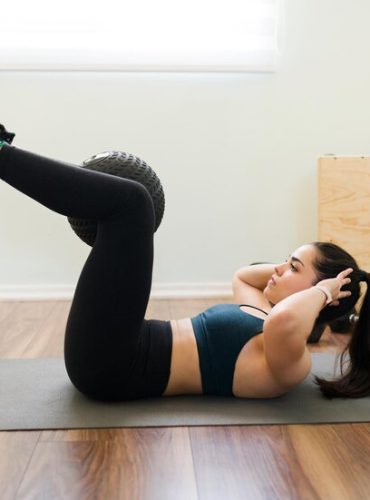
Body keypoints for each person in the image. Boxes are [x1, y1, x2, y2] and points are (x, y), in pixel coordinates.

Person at [1, 125, 369, 402]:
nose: (277, 268)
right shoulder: (262, 310)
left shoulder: (293, 359)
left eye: (293, 268)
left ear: (324, 296)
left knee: (133, 205)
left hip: (113, 366)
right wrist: (296, 270)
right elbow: (245, 275)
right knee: (130, 206)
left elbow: (288, 320)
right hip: (118, 345)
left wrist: (323, 292)